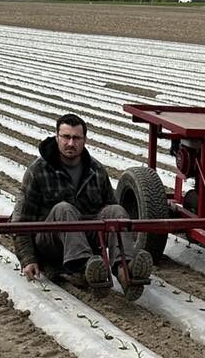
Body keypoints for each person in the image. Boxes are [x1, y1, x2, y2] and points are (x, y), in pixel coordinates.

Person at [11, 114, 152, 293]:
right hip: (50, 241)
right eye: (66, 137)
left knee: (116, 211)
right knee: (64, 209)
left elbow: (111, 215)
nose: (71, 143)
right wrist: (28, 259)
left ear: (84, 140)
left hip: (86, 239)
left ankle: (125, 270)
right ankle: (83, 270)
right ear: (57, 137)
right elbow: (20, 220)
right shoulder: (38, 171)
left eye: (76, 138)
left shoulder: (96, 170)